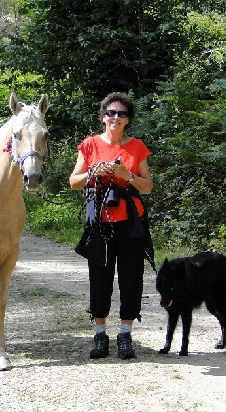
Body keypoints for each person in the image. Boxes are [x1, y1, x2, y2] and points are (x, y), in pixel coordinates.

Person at [69, 92, 155, 360]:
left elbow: (148, 186)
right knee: (100, 279)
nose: (115, 118)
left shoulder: (136, 146)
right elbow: (74, 181)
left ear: (128, 119)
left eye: (121, 114)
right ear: (103, 116)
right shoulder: (90, 144)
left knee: (132, 279)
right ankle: (100, 334)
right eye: (111, 113)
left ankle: (126, 335)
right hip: (100, 222)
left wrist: (125, 175)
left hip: (131, 223)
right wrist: (94, 172)